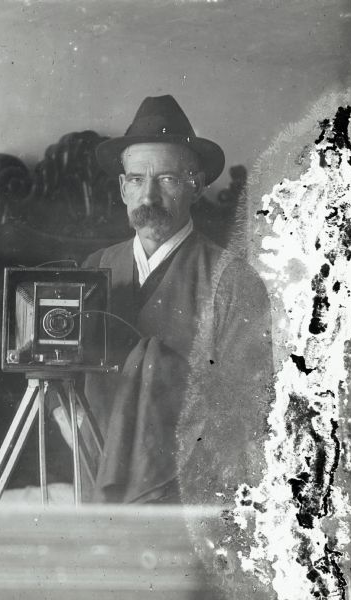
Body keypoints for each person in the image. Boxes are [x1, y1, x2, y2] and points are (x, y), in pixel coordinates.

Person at [53, 95, 274, 505]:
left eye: (168, 179)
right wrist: (77, 428)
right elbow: (53, 367)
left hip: (187, 495)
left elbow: (249, 410)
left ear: (196, 185)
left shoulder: (233, 280)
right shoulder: (97, 266)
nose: (148, 197)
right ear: (122, 188)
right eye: (136, 179)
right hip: (94, 475)